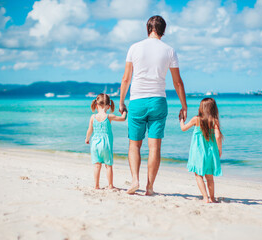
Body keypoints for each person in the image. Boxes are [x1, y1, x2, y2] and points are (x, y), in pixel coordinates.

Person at [119, 15, 187, 195]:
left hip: (137, 101)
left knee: (134, 144)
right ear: (163, 30)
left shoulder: (134, 48)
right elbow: (177, 82)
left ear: (148, 28)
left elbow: (126, 78)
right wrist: (184, 106)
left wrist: (121, 102)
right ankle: (149, 187)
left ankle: (135, 180)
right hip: (158, 101)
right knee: (154, 146)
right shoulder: (169, 51)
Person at [179, 98, 223, 203]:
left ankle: (205, 198)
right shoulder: (215, 121)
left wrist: (181, 119)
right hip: (210, 153)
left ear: (201, 108)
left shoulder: (196, 119)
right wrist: (219, 150)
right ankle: (212, 198)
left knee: (198, 175)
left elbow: (183, 128)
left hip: (198, 153)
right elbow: (218, 137)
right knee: (210, 177)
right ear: (213, 109)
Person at [85, 93, 127, 189]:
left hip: (95, 144)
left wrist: (87, 139)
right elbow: (123, 118)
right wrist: (124, 111)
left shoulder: (93, 117)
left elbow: (89, 130)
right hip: (106, 145)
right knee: (108, 166)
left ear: (96, 105)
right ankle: (110, 185)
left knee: (97, 166)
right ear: (108, 106)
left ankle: (96, 185)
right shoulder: (109, 116)